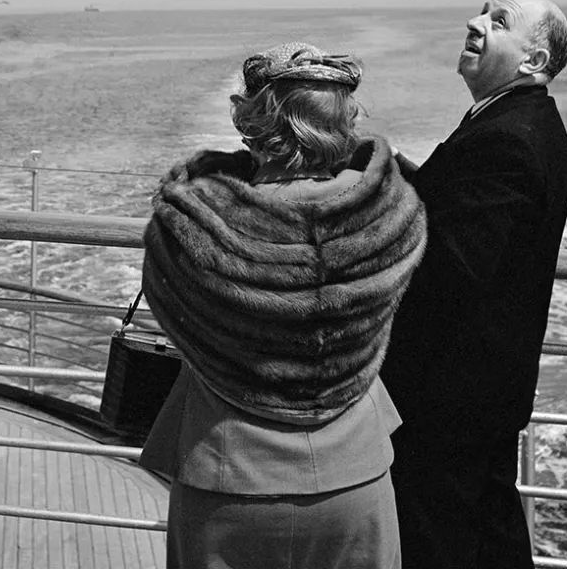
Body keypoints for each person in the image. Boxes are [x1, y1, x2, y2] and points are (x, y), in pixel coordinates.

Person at [139, 41, 427, 569]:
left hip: (229, 474)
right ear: (344, 118)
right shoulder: (392, 212)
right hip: (356, 474)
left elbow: (171, 316)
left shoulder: (191, 223)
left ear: (254, 117)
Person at [379, 0, 567, 569]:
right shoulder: (515, 121)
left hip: (449, 398)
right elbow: (466, 213)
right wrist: (403, 172)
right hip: (483, 389)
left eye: (500, 20)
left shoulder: (506, 138)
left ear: (533, 61)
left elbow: (452, 269)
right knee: (490, 537)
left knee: (435, 540)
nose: (476, 21)